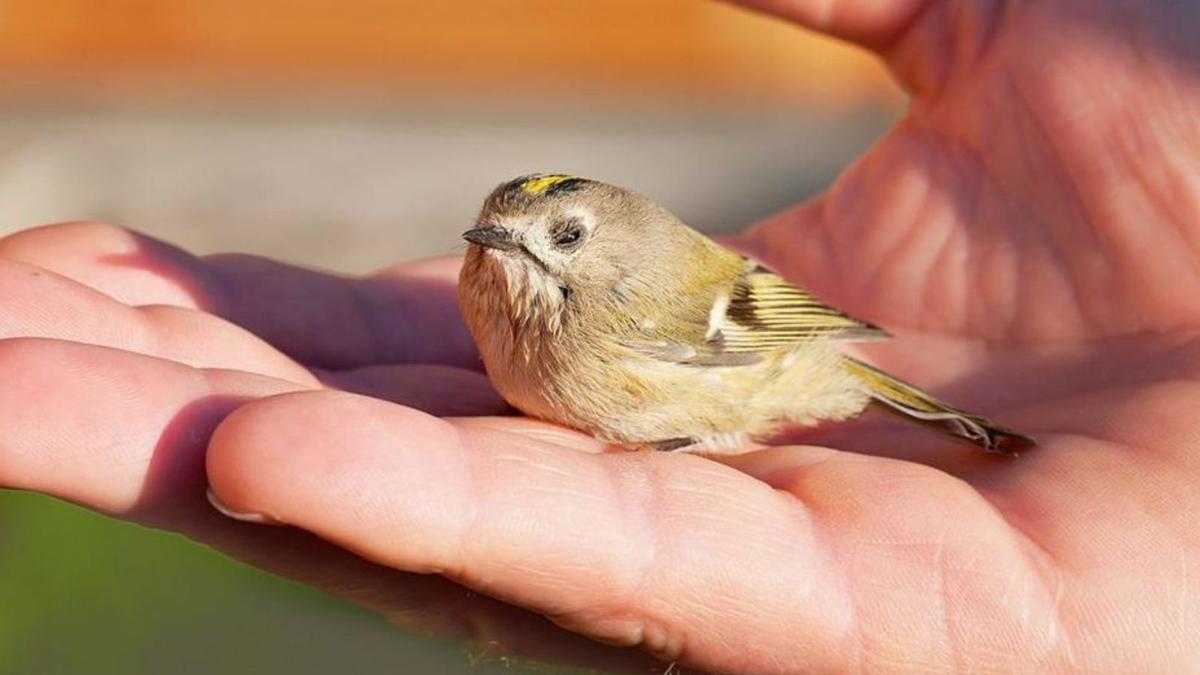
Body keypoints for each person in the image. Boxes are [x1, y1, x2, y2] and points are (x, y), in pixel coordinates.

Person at [1, 0, 1197, 671]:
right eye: (502, 231)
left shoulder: (633, 305)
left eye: (554, 239)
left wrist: (700, 426)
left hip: (765, 351)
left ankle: (954, 426)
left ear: (602, 249)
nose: (506, 251)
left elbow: (770, 321)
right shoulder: (495, 283)